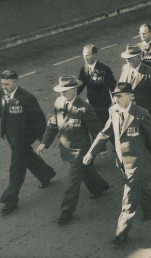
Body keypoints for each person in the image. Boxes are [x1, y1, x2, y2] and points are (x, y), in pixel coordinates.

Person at [84, 83, 151, 246]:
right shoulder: (113, 110)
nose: (116, 98)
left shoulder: (141, 114)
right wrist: (91, 152)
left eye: (120, 95)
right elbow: (104, 133)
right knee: (138, 185)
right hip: (121, 159)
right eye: (115, 95)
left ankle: (121, 233)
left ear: (130, 96)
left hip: (136, 161)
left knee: (128, 197)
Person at [0, 70, 56, 215]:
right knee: (28, 158)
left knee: (16, 168)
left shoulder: (27, 98)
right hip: (11, 136)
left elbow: (39, 121)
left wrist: (44, 141)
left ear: (16, 82)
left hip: (23, 138)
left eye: (7, 84)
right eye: (2, 83)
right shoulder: (3, 94)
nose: (4, 86)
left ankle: (10, 200)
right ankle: (46, 174)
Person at [37, 76, 109, 225]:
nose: (63, 94)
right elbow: (53, 123)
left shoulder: (84, 107)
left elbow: (95, 129)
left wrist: (101, 148)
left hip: (80, 148)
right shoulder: (58, 102)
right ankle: (99, 186)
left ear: (75, 90)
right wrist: (44, 143)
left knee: (73, 179)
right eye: (61, 91)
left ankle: (67, 211)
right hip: (66, 146)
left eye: (66, 91)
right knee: (84, 170)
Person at [119, 45, 151, 127]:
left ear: (139, 57)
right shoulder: (125, 68)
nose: (127, 60)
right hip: (128, 111)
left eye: (130, 57)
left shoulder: (150, 73)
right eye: (126, 57)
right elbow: (120, 88)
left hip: (144, 113)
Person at [77, 44, 117, 130]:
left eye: (87, 55)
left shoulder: (104, 70)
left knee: (107, 129)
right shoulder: (84, 68)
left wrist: (115, 103)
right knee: (95, 129)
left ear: (94, 55)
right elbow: (80, 85)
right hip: (91, 106)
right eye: (84, 55)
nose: (85, 58)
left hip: (103, 106)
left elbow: (114, 88)